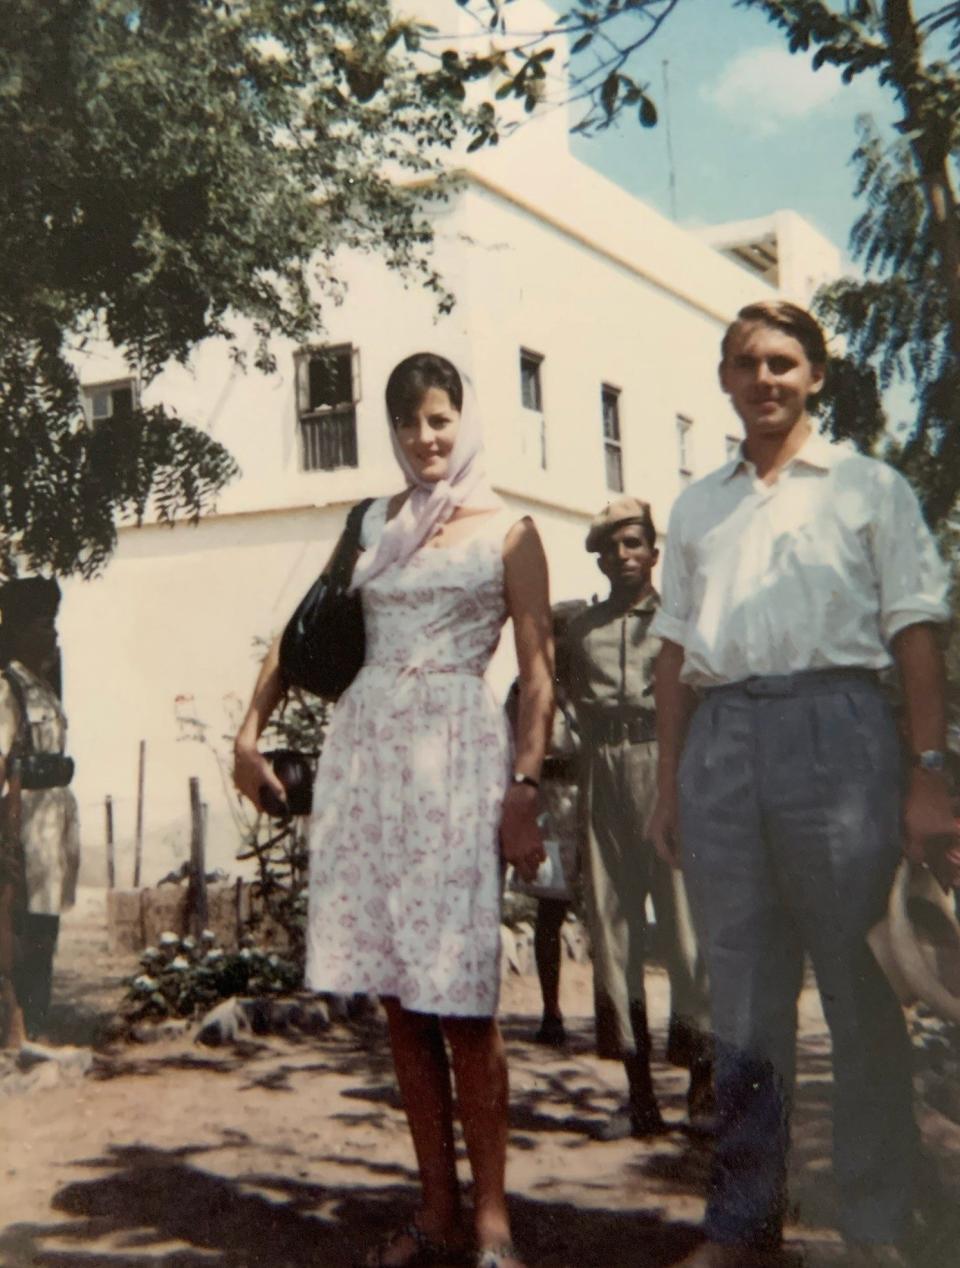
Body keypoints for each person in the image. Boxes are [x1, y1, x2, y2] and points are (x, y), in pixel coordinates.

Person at [647, 300, 958, 1268]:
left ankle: (872, 1225)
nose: (765, 379)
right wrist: (668, 782)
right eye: (747, 363)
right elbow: (673, 652)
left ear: (816, 374)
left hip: (843, 733)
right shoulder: (700, 504)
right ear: (725, 381)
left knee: (862, 991)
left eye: (784, 361)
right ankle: (742, 1225)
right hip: (724, 740)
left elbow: (915, 633)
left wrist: (929, 774)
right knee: (741, 1000)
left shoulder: (869, 487)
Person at [233, 352, 553, 1268]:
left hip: (456, 757)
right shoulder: (371, 522)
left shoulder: (511, 531)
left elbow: (538, 676)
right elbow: (300, 635)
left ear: (466, 419)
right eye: (409, 422)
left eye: (441, 418)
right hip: (369, 755)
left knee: (463, 998)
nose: (426, 438)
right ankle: (435, 1210)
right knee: (400, 999)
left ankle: (491, 1216)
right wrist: (246, 735)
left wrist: (524, 790)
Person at [562, 498, 712, 1141]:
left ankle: (703, 1084)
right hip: (601, 771)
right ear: (598, 555)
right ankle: (639, 1090)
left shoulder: (679, 620)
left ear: (654, 551)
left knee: (685, 925)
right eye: (612, 546)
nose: (625, 556)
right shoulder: (578, 628)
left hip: (668, 766)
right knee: (612, 925)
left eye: (636, 544)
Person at [0, 578, 80, 1046]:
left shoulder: (43, 687)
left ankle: (38, 1017)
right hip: (25, 817)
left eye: (53, 622)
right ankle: (25, 1024)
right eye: (41, 622)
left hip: (54, 815)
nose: (51, 632)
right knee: (27, 921)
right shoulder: (9, 687)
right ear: (20, 631)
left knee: (46, 919)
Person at [507, 601, 585, 1048]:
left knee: (608, 910)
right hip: (550, 808)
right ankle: (551, 1010)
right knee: (550, 913)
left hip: (589, 803)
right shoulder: (528, 689)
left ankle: (612, 1016)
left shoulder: (591, 688)